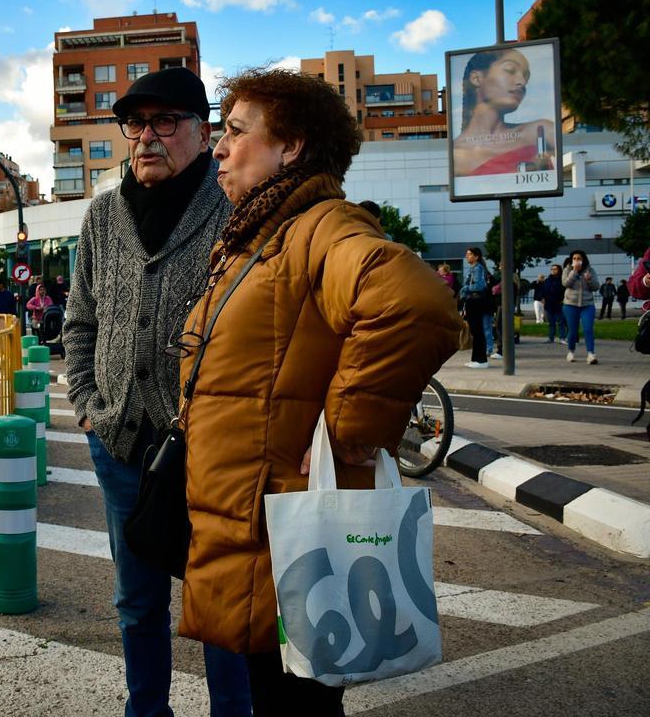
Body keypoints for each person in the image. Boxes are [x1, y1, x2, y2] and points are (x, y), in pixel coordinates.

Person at [177, 67, 459, 714]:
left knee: (294, 703)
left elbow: (413, 304)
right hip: (251, 528)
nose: (219, 148)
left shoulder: (319, 226)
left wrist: (348, 429)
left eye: (237, 132)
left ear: (292, 146)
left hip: (286, 538)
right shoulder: (266, 236)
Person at [63, 66, 252, 716]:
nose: (146, 137)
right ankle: (146, 711)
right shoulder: (101, 216)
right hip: (119, 442)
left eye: (164, 122)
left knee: (221, 602)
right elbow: (79, 322)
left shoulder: (236, 209)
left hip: (215, 452)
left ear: (203, 132)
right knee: (137, 600)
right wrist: (87, 405)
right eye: (135, 124)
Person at [453, 48, 556, 176]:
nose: (522, 82)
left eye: (526, 76)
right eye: (510, 70)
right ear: (476, 78)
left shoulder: (541, 131)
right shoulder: (456, 155)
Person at [562, 249, 600, 364]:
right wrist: (574, 272)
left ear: (583, 260)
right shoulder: (567, 270)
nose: (576, 261)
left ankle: (591, 354)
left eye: (579, 259)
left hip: (587, 304)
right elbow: (565, 283)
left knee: (588, 328)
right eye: (574, 259)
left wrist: (589, 280)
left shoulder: (590, 270)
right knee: (573, 330)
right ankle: (571, 352)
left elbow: (595, 287)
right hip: (570, 304)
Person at [460, 247, 492, 368]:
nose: (467, 256)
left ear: (476, 256)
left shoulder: (478, 268)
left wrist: (465, 288)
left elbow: (479, 285)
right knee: (475, 331)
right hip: (472, 301)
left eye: (469, 254)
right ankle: (476, 359)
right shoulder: (473, 268)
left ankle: (481, 360)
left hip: (476, 301)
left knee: (478, 330)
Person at [543, 263, 566, 343]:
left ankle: (562, 338)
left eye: (555, 269)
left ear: (559, 270)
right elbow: (544, 290)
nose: (553, 270)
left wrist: (563, 300)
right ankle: (551, 337)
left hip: (559, 304)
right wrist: (543, 298)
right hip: (549, 304)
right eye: (552, 269)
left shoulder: (562, 280)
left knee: (561, 322)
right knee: (551, 322)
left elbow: (565, 291)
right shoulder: (547, 280)